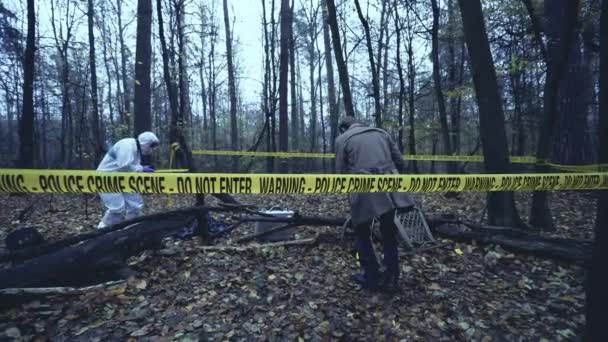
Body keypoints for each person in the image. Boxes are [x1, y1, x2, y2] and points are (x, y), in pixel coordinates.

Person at [335, 116, 415, 291]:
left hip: (363, 186)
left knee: (362, 231)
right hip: (390, 186)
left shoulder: (343, 139)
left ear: (343, 128)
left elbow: (340, 172)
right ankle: (392, 277)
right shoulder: (382, 133)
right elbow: (402, 162)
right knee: (388, 232)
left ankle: (371, 276)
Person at [96, 131, 160, 229]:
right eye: (151, 146)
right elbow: (124, 167)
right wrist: (142, 169)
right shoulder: (127, 146)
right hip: (106, 178)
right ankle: (100, 233)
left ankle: (130, 230)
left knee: (135, 206)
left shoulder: (136, 150)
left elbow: (130, 168)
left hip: (123, 179)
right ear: (145, 143)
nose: (151, 150)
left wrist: (141, 168)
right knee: (116, 209)